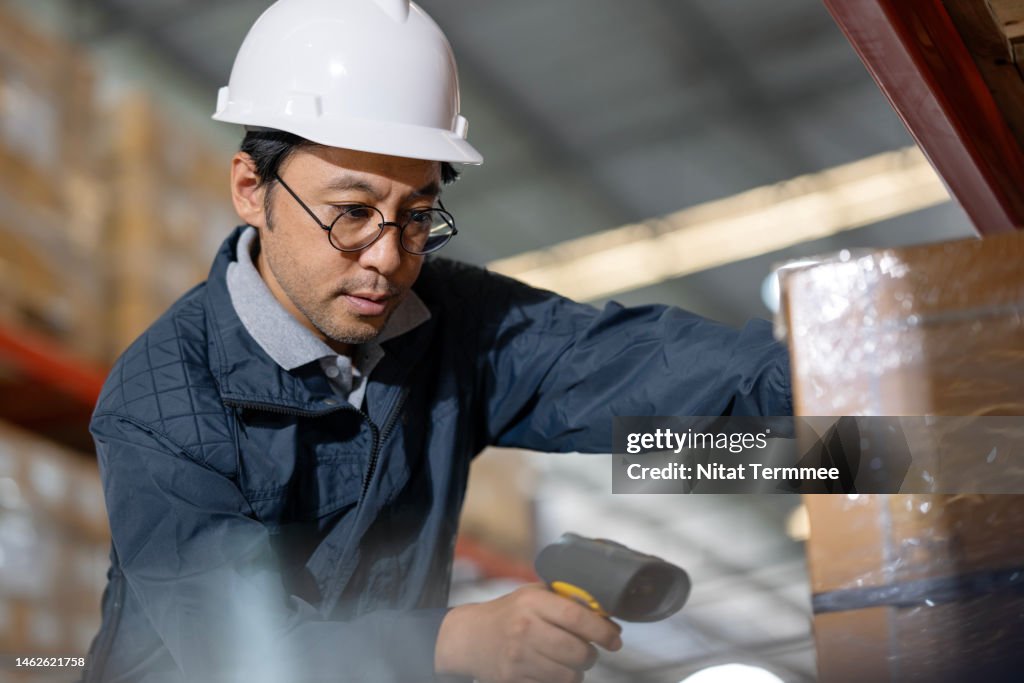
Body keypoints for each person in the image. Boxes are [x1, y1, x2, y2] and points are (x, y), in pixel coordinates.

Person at [83, 1, 792, 681]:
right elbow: (237, 651)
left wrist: (851, 396)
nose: (389, 259)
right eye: (353, 213)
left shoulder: (451, 322)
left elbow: (640, 371)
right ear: (249, 187)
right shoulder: (162, 400)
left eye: (417, 217)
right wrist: (456, 640)